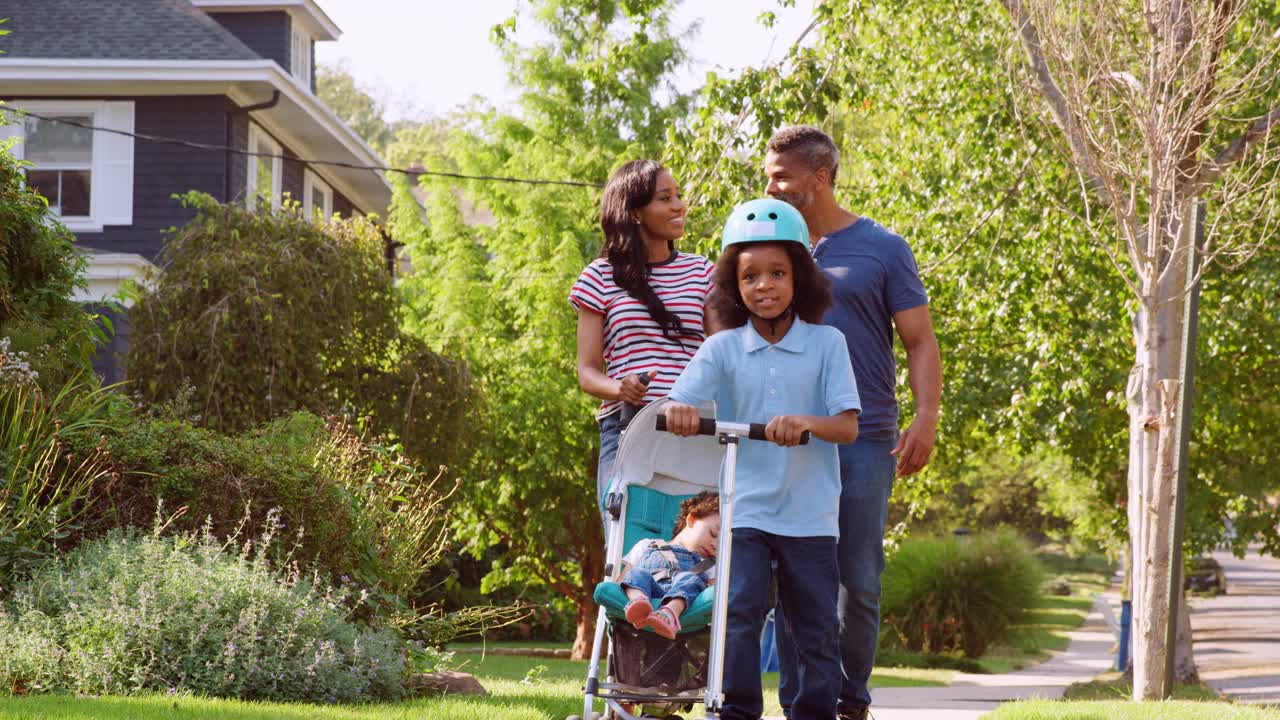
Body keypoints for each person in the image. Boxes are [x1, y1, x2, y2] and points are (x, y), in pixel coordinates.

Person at [764, 125, 943, 720]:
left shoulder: (883, 248)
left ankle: (851, 699)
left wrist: (926, 416)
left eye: (782, 176)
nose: (770, 186)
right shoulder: (771, 247)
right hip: (787, 439)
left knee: (858, 580)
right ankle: (800, 704)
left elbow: (919, 341)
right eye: (768, 176)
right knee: (792, 577)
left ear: (820, 178)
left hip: (864, 436)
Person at [663, 198, 861, 720]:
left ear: (800, 279)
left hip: (810, 512)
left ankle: (814, 713)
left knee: (815, 626)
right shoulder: (722, 349)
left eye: (777, 273)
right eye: (750, 276)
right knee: (738, 612)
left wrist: (806, 423)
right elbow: (678, 403)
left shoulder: (827, 343)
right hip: (745, 508)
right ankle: (737, 712)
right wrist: (679, 410)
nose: (764, 286)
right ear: (734, 285)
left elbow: (847, 426)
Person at [570, 160, 715, 524]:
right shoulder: (599, 276)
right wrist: (620, 388)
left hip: (695, 427)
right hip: (628, 427)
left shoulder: (701, 271)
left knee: (696, 544)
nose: (680, 206)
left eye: (678, 196)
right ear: (634, 212)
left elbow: (722, 351)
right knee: (627, 543)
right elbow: (587, 372)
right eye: (665, 198)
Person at [619, 490, 720, 640]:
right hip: (648, 589)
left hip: (681, 600)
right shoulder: (647, 545)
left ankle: (669, 612)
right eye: (713, 533)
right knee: (636, 574)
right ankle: (639, 602)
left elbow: (714, 594)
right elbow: (621, 581)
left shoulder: (710, 566)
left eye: (721, 544)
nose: (715, 545)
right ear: (692, 519)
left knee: (691, 579)